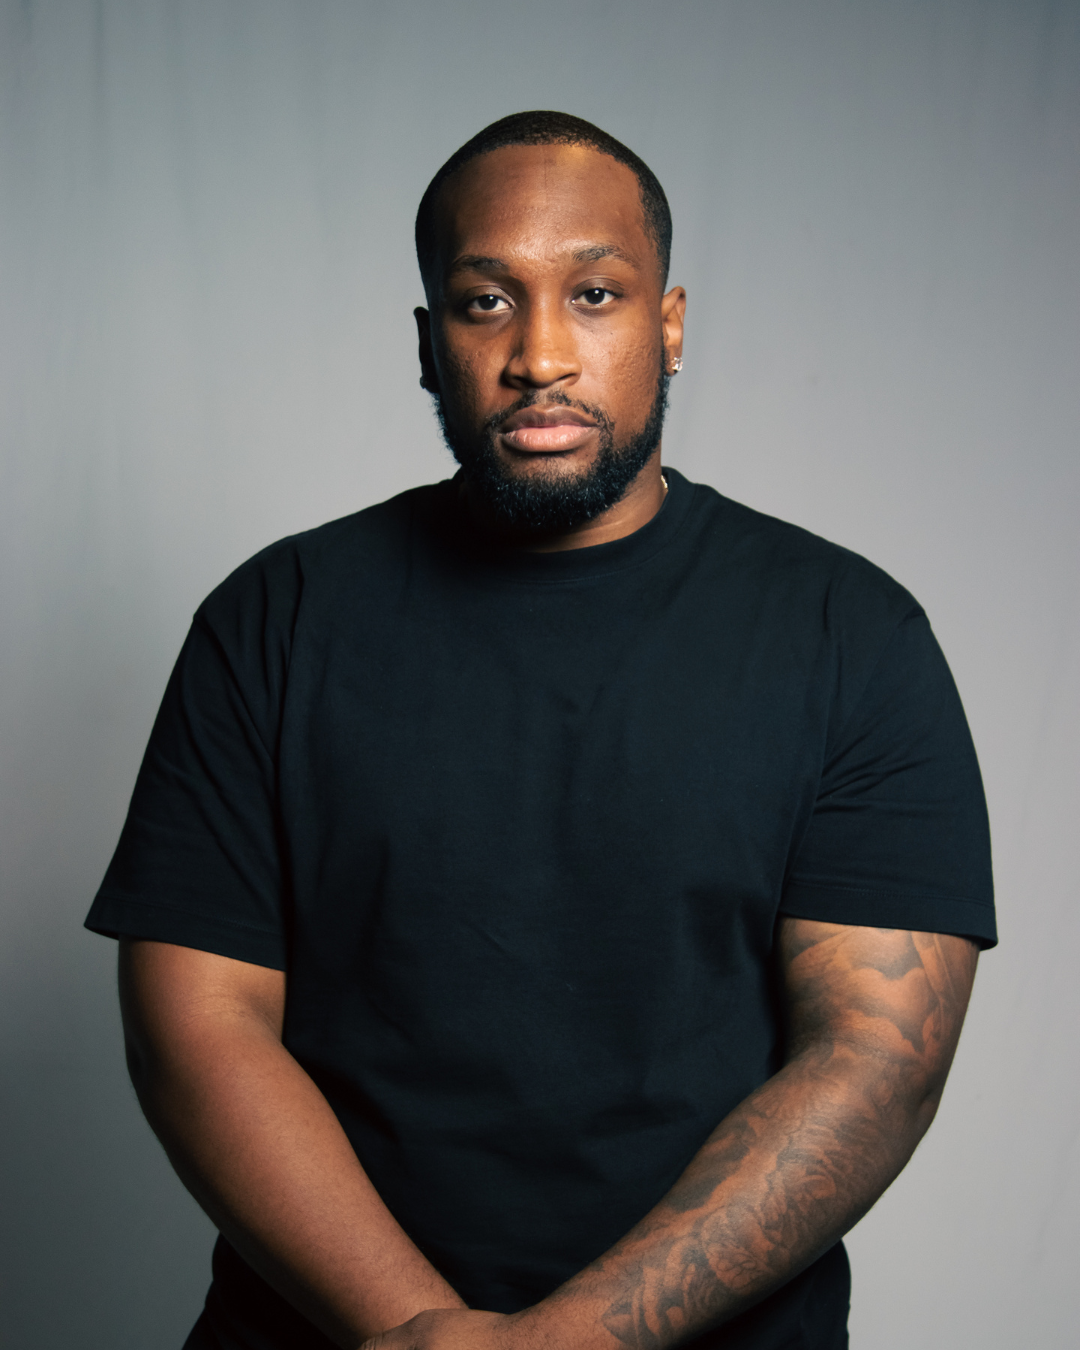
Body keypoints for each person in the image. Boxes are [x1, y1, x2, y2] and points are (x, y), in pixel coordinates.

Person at [86, 111, 996, 1350]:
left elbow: (880, 1056)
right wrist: (417, 1327)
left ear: (669, 326)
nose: (542, 354)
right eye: (485, 303)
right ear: (427, 344)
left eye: (598, 293)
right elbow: (195, 1025)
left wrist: (578, 1339)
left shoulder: (851, 633)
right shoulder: (277, 618)